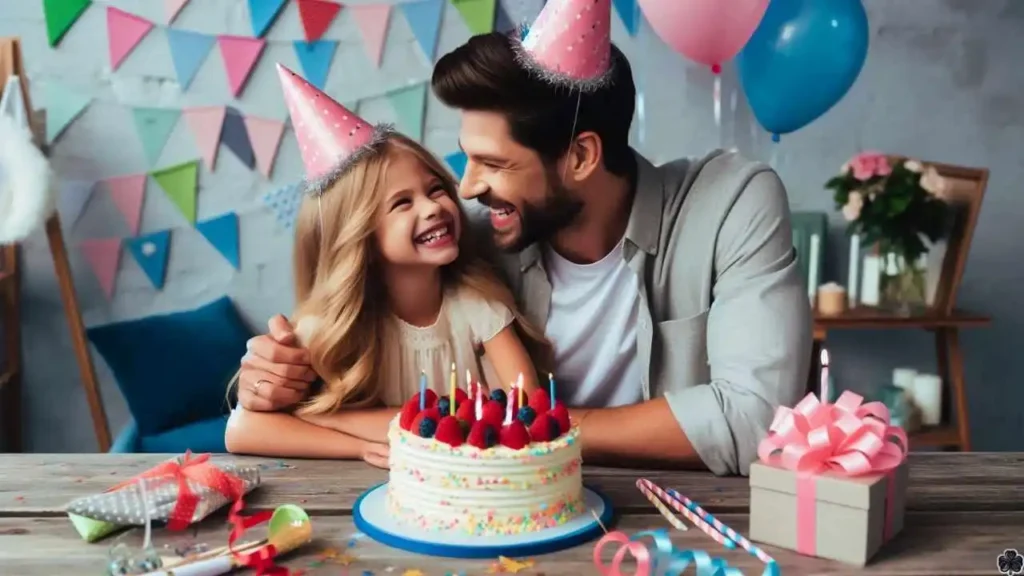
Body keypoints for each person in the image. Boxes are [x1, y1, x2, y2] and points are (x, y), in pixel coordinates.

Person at [235, 0, 812, 476]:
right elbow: (350, 334)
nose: (464, 188)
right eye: (464, 160)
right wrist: (276, 383)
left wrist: (522, 427)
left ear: (581, 155)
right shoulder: (471, 251)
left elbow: (753, 420)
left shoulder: (731, 204)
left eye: (492, 163)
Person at [224, 64, 551, 466]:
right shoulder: (330, 331)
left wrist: (338, 419)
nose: (433, 207)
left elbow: (525, 412)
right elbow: (243, 431)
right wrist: (361, 446)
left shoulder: (476, 306)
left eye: (435, 189)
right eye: (402, 203)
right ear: (359, 237)